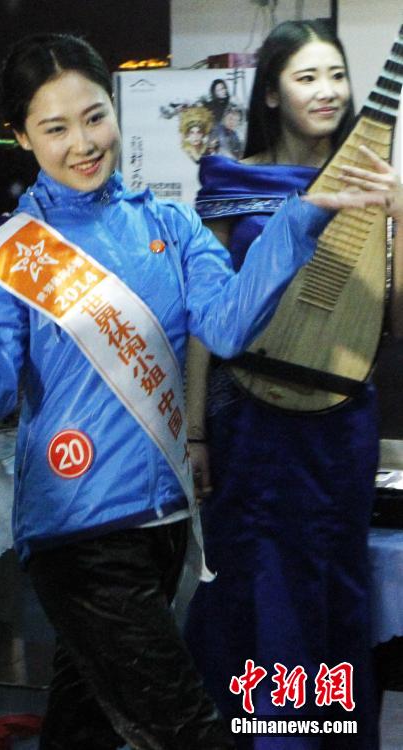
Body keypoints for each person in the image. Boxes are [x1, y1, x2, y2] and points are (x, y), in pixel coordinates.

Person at [0, 31, 394, 750]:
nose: (82, 143)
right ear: (21, 136)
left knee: (86, 724)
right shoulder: (15, 252)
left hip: (162, 523)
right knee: (190, 731)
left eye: (94, 116)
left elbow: (226, 328)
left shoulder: (170, 222)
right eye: (55, 128)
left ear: (114, 108)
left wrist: (303, 215)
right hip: (78, 533)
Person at [184, 19, 403, 750]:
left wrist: (401, 215)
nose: (327, 91)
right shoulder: (232, 180)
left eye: (336, 75)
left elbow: (395, 320)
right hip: (252, 423)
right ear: (273, 94)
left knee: (335, 587)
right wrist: (195, 431)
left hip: (341, 425)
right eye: (306, 77)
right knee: (262, 590)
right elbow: (205, 321)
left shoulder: (371, 183)